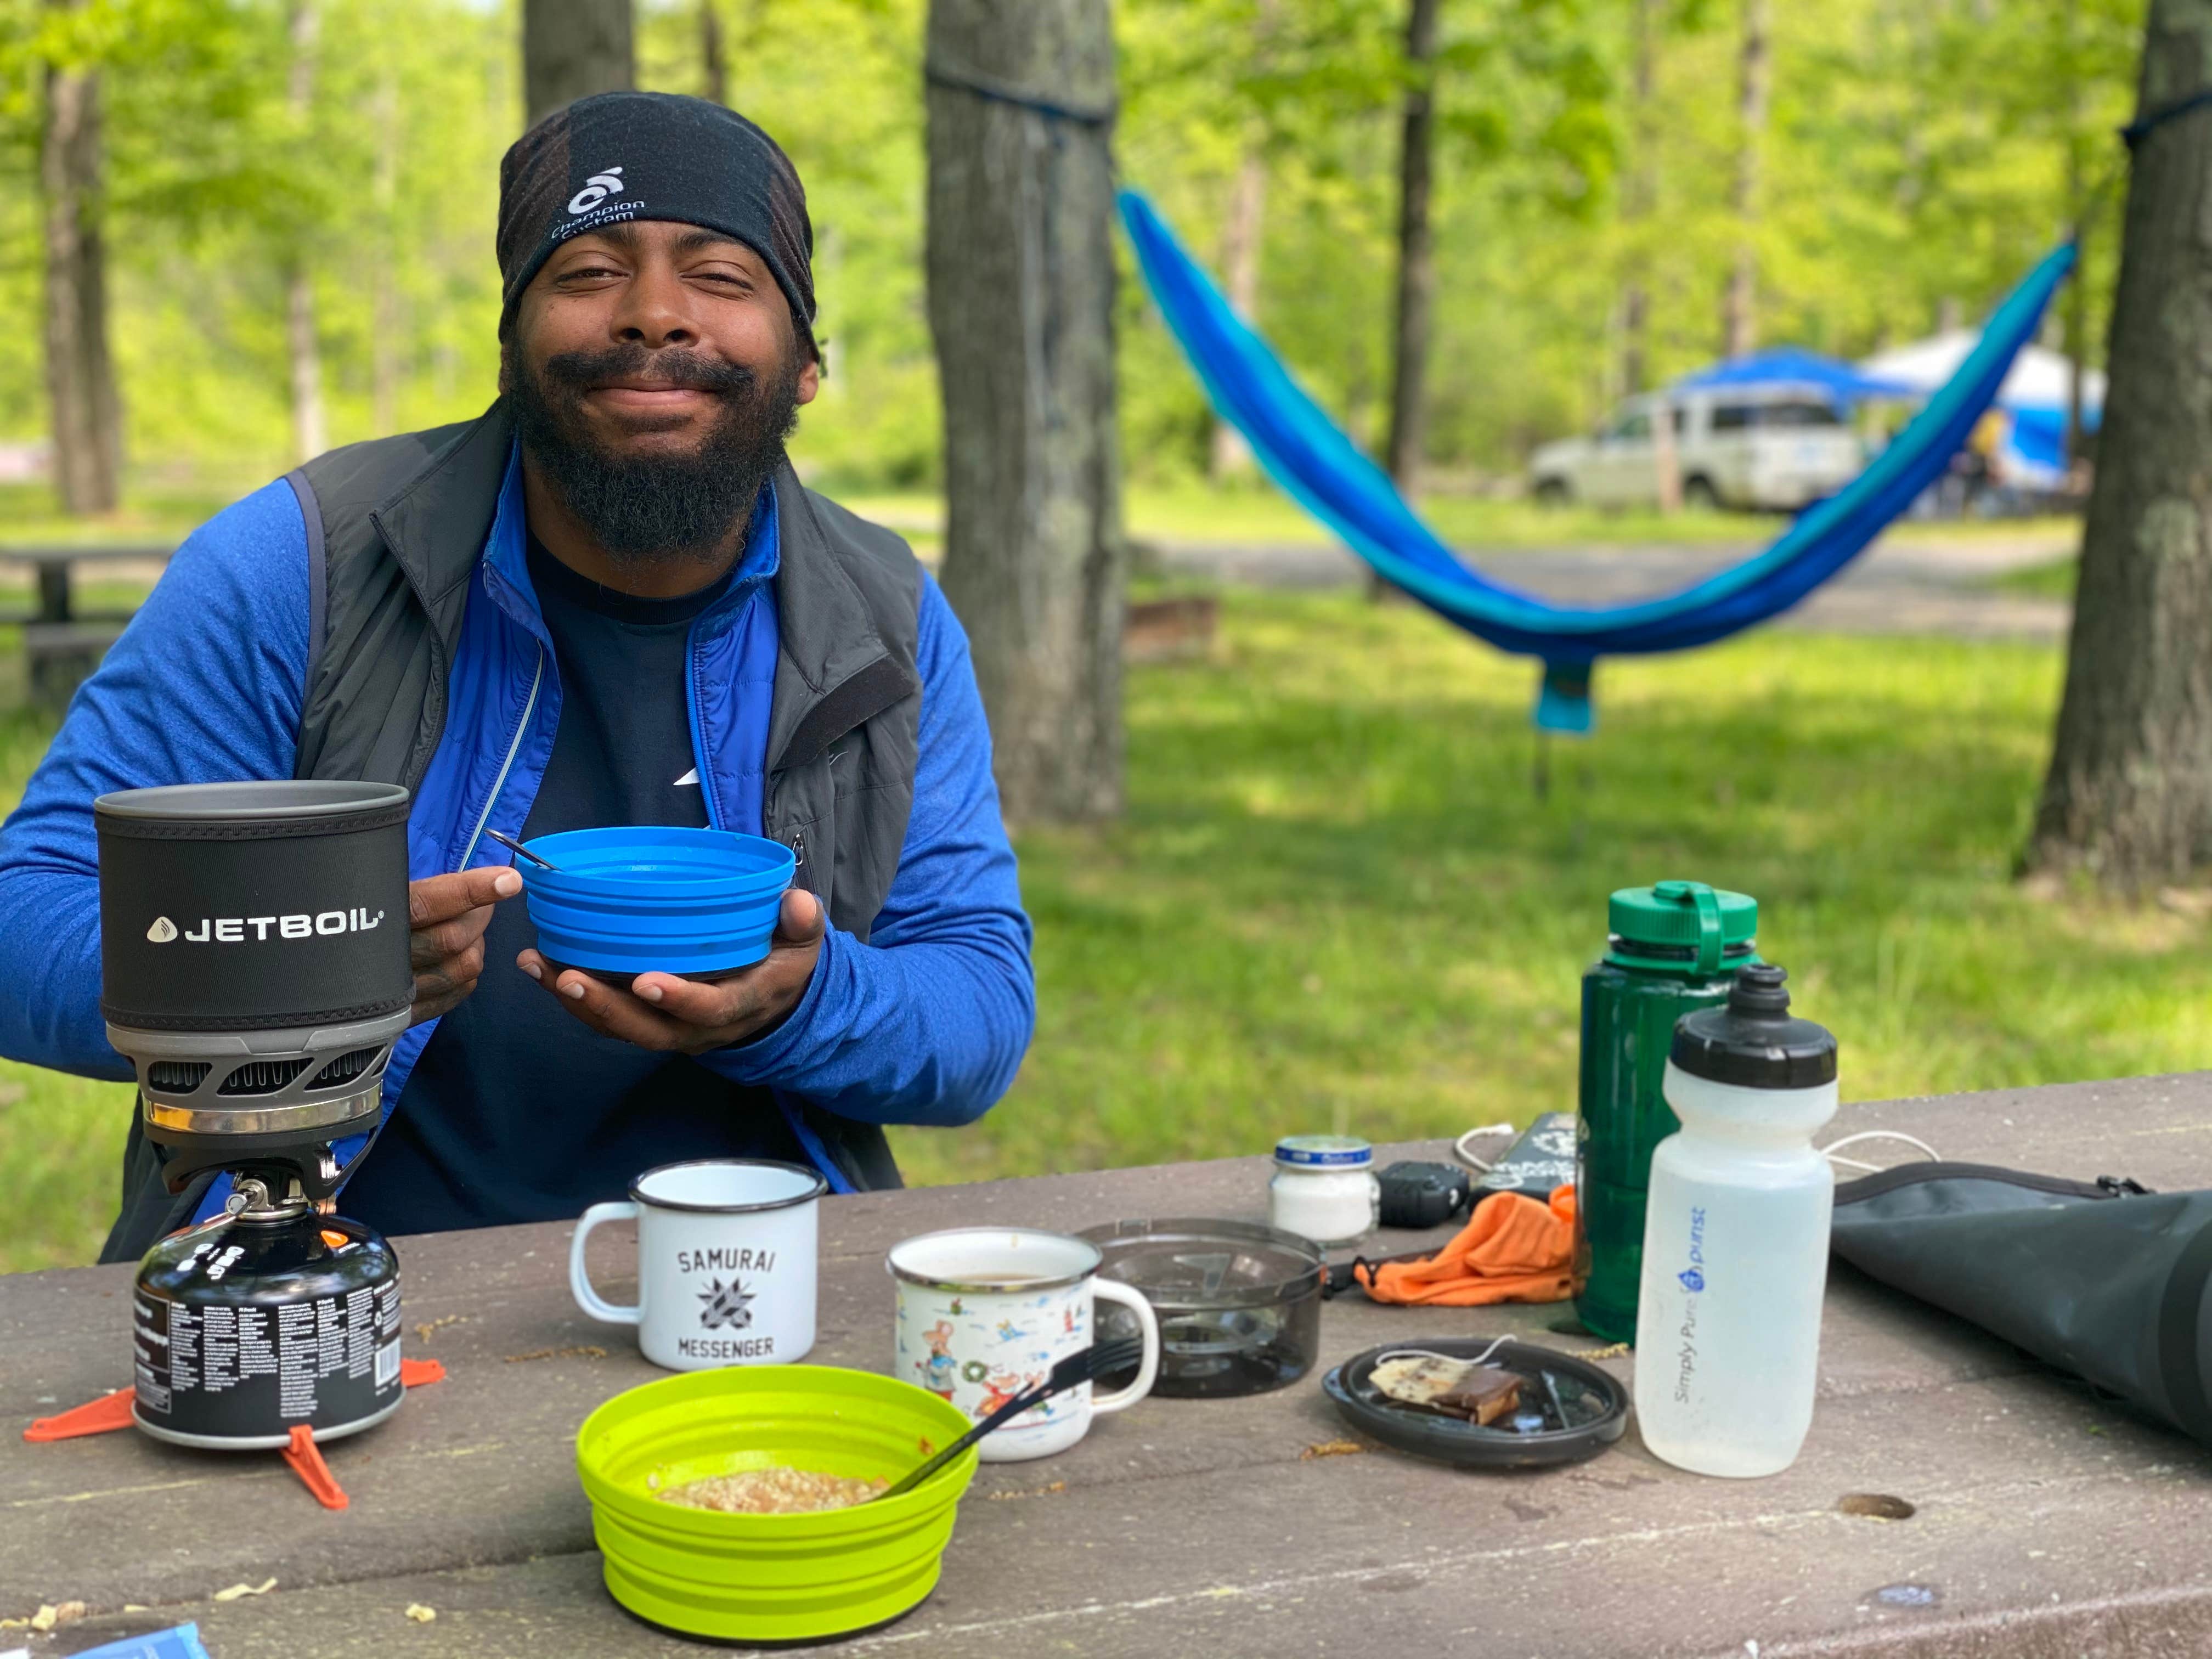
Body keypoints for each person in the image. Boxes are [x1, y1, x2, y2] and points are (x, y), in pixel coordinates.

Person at [0, 92, 1035, 1259]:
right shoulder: (302, 564)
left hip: (757, 1283)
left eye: (720, 276)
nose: (654, 314)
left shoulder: (884, 616)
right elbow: (23, 914)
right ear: (510, 347)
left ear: (805, 363)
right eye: (590, 271)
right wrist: (302, 967)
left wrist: (805, 1000)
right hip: (338, 1284)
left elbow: (979, 1004)